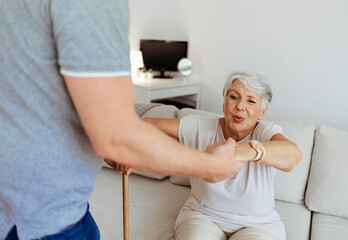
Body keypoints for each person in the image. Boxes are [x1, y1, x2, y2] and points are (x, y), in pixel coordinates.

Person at [0, 1, 242, 239]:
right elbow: (118, 138)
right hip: (39, 217)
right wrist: (211, 167)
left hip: (38, 206)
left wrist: (108, 135)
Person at [141, 72, 303, 240]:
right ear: (224, 104)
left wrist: (236, 150)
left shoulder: (266, 132)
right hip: (202, 216)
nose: (240, 106)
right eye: (234, 97)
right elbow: (147, 125)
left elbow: (293, 156)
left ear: (262, 112)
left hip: (258, 224)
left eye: (251, 101)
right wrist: (129, 152)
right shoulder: (199, 125)